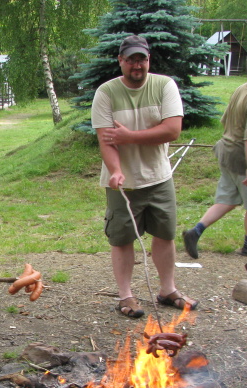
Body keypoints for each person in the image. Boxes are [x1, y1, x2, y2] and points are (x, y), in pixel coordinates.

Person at [91, 35, 198, 318]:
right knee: (122, 239)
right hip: (123, 184)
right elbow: (106, 140)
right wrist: (116, 170)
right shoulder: (106, 92)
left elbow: (172, 130)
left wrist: (129, 136)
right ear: (121, 61)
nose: (137, 65)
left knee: (165, 235)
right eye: (131, 60)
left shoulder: (164, 85)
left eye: (142, 59)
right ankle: (126, 296)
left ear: (148, 60)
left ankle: (168, 290)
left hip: (159, 177)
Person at [182, 54, 247, 258]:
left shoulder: (241, 89)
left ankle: (195, 232)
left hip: (226, 150)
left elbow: (224, 120)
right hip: (246, 157)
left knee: (228, 199)